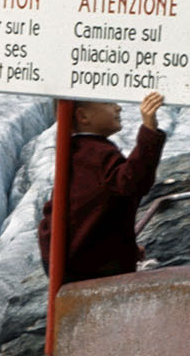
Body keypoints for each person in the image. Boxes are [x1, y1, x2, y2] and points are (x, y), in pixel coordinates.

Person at [38, 92, 167, 283]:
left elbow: (94, 206)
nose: (118, 107)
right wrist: (149, 129)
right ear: (83, 116)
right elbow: (131, 182)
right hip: (89, 266)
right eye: (109, 103)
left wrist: (126, 249)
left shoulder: (78, 150)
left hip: (67, 257)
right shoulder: (95, 153)